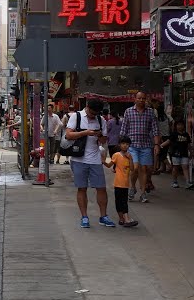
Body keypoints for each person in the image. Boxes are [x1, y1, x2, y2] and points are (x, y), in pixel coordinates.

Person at [63, 99, 113, 228]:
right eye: (91, 112)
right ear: (87, 107)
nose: (93, 115)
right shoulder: (76, 116)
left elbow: (103, 140)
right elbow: (68, 135)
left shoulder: (101, 120)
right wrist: (86, 133)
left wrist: (100, 135)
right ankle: (84, 217)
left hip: (95, 159)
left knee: (101, 188)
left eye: (95, 113)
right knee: (82, 188)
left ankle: (104, 216)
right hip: (79, 159)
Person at [120, 91, 160, 203]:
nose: (141, 100)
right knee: (135, 168)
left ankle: (143, 193)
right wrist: (122, 146)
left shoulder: (151, 112)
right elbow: (124, 129)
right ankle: (132, 187)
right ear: (135, 99)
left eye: (143, 98)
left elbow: (155, 130)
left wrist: (157, 145)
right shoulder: (128, 111)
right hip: (132, 145)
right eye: (139, 98)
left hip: (146, 145)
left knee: (145, 169)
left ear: (146, 99)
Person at [105, 135, 138, 228]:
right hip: (118, 183)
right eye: (123, 144)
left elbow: (132, 169)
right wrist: (102, 161)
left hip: (126, 184)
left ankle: (126, 219)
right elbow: (109, 165)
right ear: (119, 145)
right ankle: (122, 218)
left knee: (124, 202)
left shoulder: (129, 156)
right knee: (118, 201)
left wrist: (130, 158)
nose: (125, 146)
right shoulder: (116, 155)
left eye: (127, 144)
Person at [160, 119, 193, 189]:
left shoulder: (186, 135)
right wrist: (160, 145)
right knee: (176, 168)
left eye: (181, 125)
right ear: (176, 126)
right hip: (175, 154)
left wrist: (191, 152)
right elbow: (168, 141)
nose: (180, 126)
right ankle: (174, 181)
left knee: (185, 167)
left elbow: (189, 144)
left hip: (184, 154)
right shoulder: (174, 134)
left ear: (184, 126)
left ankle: (187, 182)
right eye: (178, 125)